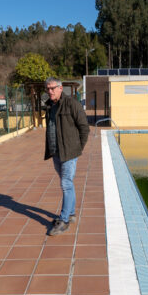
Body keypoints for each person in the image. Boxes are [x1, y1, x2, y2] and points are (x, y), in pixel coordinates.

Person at [44, 77, 90, 236]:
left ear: (60, 88)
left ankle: (63, 220)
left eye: (52, 88)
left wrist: (78, 148)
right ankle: (71, 214)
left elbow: (84, 127)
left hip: (69, 152)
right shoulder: (50, 106)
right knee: (67, 183)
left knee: (65, 184)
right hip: (56, 152)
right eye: (47, 89)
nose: (49, 91)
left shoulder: (71, 104)